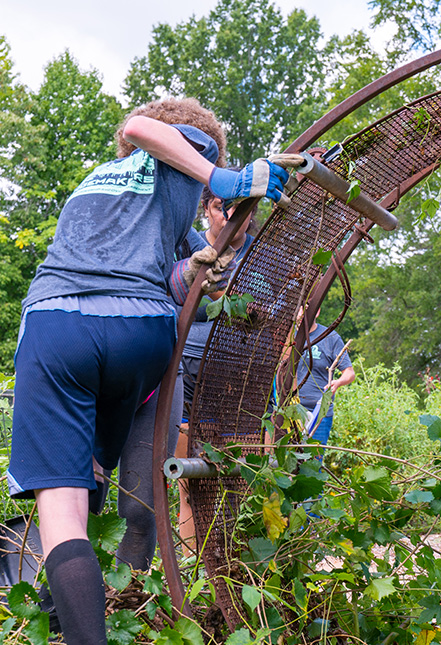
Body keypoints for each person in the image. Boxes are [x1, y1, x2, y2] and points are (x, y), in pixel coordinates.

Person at [6, 97, 288, 645]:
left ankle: (83, 624)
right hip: (138, 335)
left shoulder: (98, 184)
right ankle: (61, 614)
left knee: (66, 509)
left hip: (58, 327)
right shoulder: (182, 156)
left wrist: (209, 263)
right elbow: (142, 127)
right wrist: (222, 175)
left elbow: (168, 275)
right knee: (103, 492)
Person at [174, 190, 259, 552]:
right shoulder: (189, 251)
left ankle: (235, 564)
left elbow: (263, 313)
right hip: (189, 367)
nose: (229, 216)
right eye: (220, 207)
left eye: (240, 208)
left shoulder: (261, 255)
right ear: (207, 209)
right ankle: (193, 566)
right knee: (189, 477)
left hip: (237, 372)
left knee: (239, 475)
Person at [295, 308, 355, 447]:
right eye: (300, 309)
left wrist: (338, 382)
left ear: (317, 311)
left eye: (308, 309)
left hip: (319, 414)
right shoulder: (287, 338)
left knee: (313, 462)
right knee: (286, 462)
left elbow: (349, 373)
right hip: (291, 412)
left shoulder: (330, 338)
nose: (303, 313)